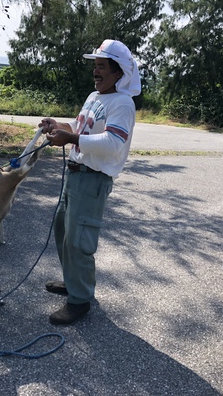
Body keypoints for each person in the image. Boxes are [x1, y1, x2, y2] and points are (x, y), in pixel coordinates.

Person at [39, 39, 141, 325]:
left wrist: (70, 139)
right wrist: (58, 127)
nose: (96, 72)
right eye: (94, 66)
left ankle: (80, 300)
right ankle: (74, 283)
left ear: (118, 72)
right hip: (75, 174)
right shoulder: (94, 97)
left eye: (102, 66)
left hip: (92, 180)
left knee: (79, 240)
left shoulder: (122, 103)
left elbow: (112, 143)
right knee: (63, 232)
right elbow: (80, 128)